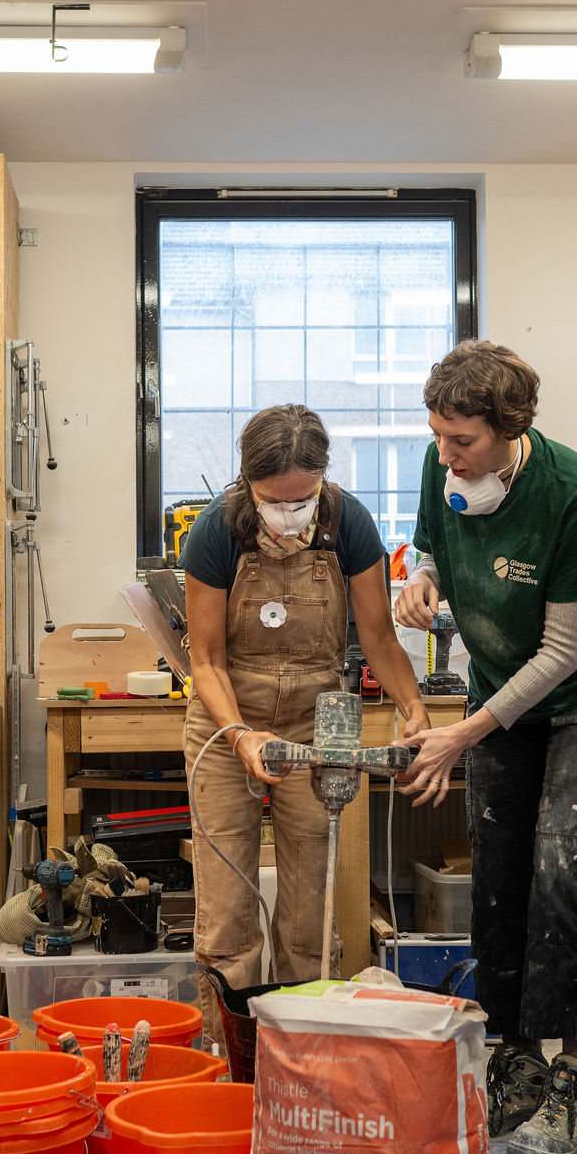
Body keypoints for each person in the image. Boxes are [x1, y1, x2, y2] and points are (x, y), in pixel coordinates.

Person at [395, 339, 577, 1154]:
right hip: (502, 693)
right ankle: (519, 1063)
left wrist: (465, 729)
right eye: (438, 436)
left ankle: (576, 1082)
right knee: (497, 881)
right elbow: (429, 547)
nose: (446, 454)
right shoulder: (444, 465)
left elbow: (564, 653)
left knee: (564, 877)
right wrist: (419, 582)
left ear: (509, 429)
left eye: (462, 442)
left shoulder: (572, 493)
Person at [181, 403, 430, 1044]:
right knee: (226, 910)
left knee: (310, 908)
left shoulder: (350, 522)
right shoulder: (215, 531)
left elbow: (377, 635)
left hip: (319, 723)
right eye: (273, 500)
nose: (289, 515)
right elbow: (204, 658)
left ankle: (305, 1058)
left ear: (322, 478)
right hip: (225, 719)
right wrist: (239, 735)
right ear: (248, 485)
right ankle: (230, 1058)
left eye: (303, 499)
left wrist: (414, 711)